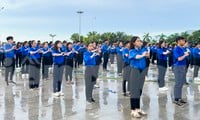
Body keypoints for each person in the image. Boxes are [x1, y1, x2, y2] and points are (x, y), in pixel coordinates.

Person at [129, 36, 149, 118]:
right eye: (138, 41)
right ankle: (133, 110)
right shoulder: (132, 51)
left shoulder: (142, 49)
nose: (140, 42)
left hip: (142, 71)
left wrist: (146, 54)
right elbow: (137, 57)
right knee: (134, 90)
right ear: (133, 43)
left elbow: (147, 55)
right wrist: (143, 54)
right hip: (135, 70)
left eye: (140, 41)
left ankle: (138, 108)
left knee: (139, 90)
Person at [173, 36, 189, 106]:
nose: (184, 42)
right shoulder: (176, 49)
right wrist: (185, 55)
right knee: (178, 84)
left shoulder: (182, 48)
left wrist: (186, 54)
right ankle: (176, 99)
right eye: (183, 40)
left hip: (183, 66)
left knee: (181, 83)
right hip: (178, 67)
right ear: (179, 41)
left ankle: (179, 98)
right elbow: (179, 59)